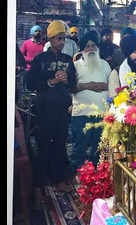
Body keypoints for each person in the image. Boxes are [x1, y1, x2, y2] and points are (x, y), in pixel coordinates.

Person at [26, 20, 77, 201]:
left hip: (62, 109)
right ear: (51, 39)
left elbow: (73, 83)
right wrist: (51, 82)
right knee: (44, 144)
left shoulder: (67, 60)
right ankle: (40, 184)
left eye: (63, 38)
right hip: (44, 108)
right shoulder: (40, 59)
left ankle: (57, 179)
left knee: (60, 143)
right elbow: (29, 83)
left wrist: (65, 82)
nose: (62, 42)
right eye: (58, 38)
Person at [70, 31, 111, 173]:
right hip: (81, 114)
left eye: (93, 45)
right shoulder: (75, 66)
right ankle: (78, 178)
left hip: (101, 113)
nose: (91, 49)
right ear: (82, 50)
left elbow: (112, 86)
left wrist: (99, 86)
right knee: (79, 148)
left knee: (99, 149)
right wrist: (88, 85)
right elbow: (71, 87)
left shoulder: (105, 65)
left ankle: (97, 179)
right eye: (87, 46)